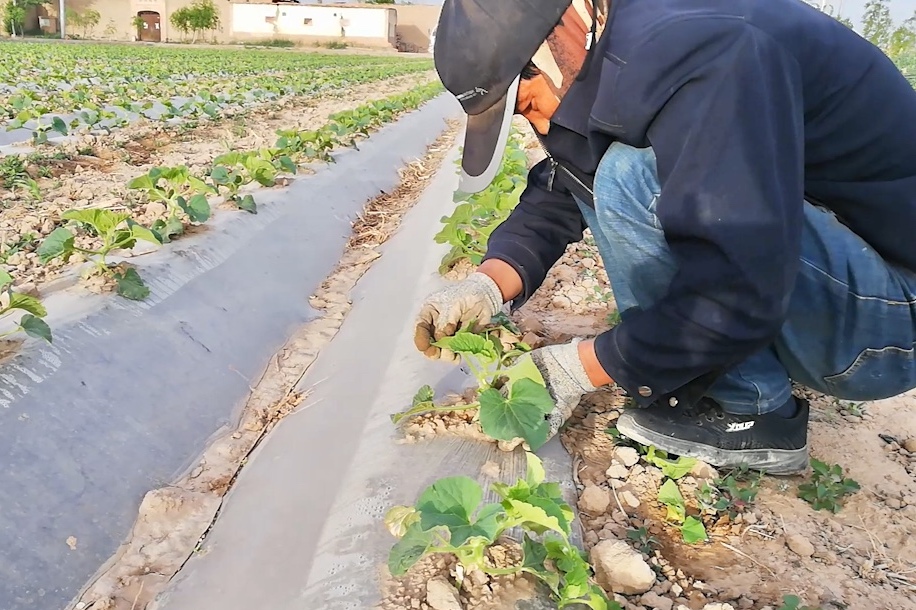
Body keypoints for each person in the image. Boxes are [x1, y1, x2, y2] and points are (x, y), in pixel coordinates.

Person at [413, 0, 916, 475]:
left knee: (628, 178)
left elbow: (740, 281)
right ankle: (715, 372)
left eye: (528, 103)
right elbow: (571, 178)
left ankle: (751, 409)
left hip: (891, 323)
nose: (541, 124)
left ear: (560, 32)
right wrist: (489, 282)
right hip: (847, 276)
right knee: (615, 173)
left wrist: (579, 368)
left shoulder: (707, 52)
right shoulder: (621, 44)